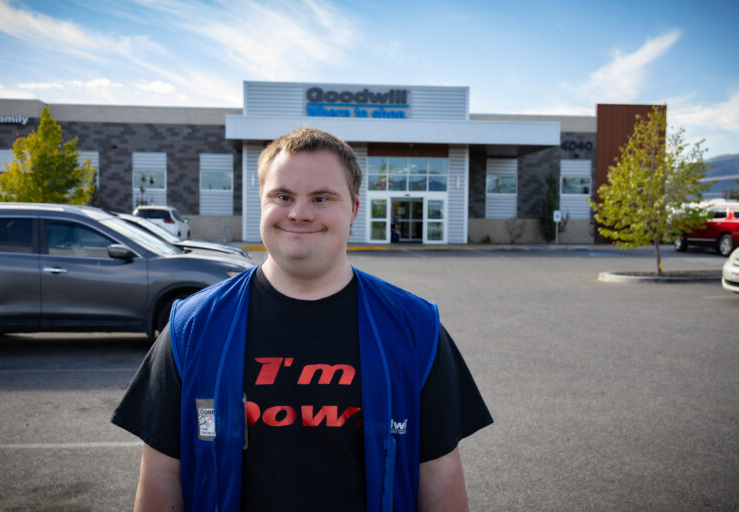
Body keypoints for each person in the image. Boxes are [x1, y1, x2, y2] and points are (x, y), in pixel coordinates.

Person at [112, 127, 493, 511]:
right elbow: (162, 471)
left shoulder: (415, 329)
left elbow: (439, 472)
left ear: (354, 209)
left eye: (321, 198)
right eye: (283, 196)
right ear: (262, 204)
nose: (299, 212)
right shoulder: (192, 328)